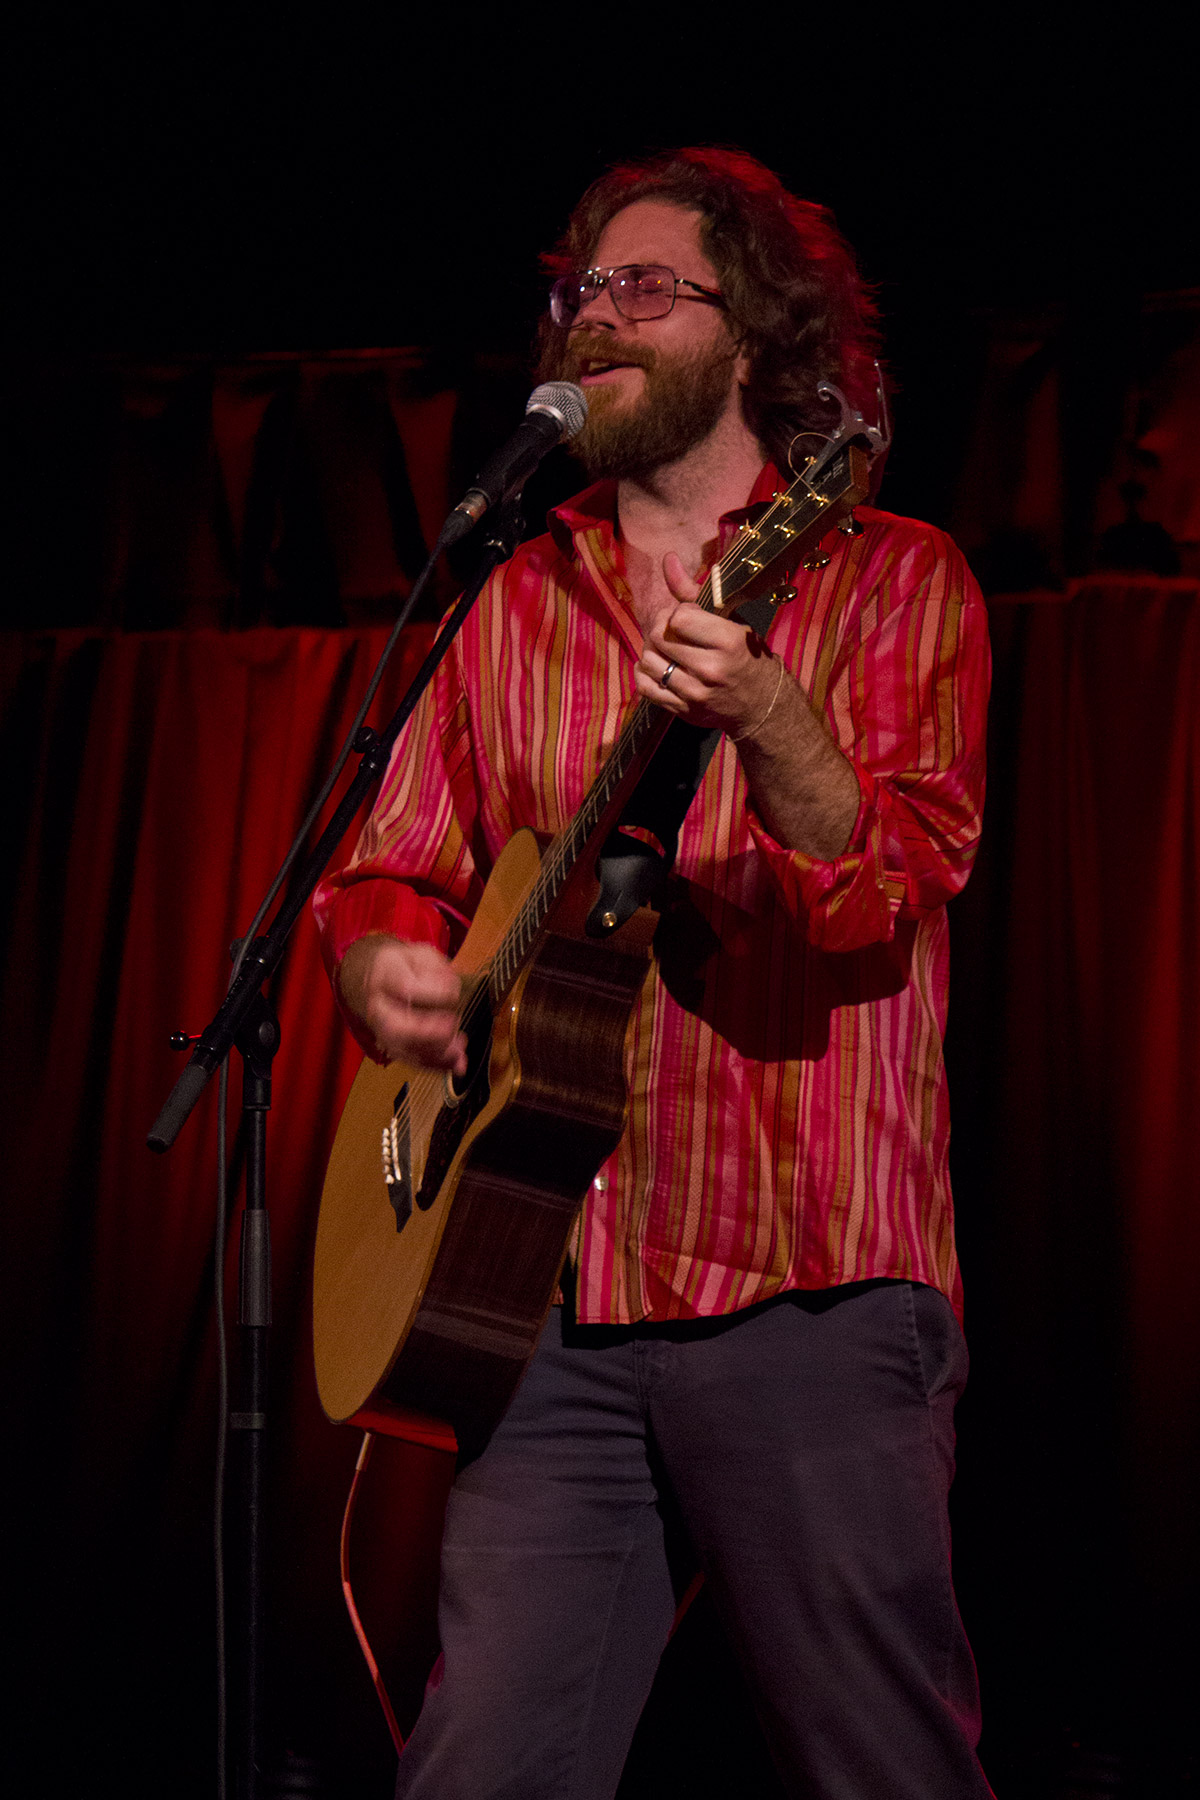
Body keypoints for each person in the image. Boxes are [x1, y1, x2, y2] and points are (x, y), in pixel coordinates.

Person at [314, 147, 994, 1800]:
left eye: (643, 288)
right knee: (482, 1766)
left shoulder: (889, 576)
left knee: (878, 1763)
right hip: (542, 1290)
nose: (592, 319)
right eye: (577, 292)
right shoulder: (516, 596)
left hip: (809, 1288)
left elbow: (883, 896)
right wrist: (391, 968)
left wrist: (767, 714)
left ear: (755, 335)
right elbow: (385, 868)